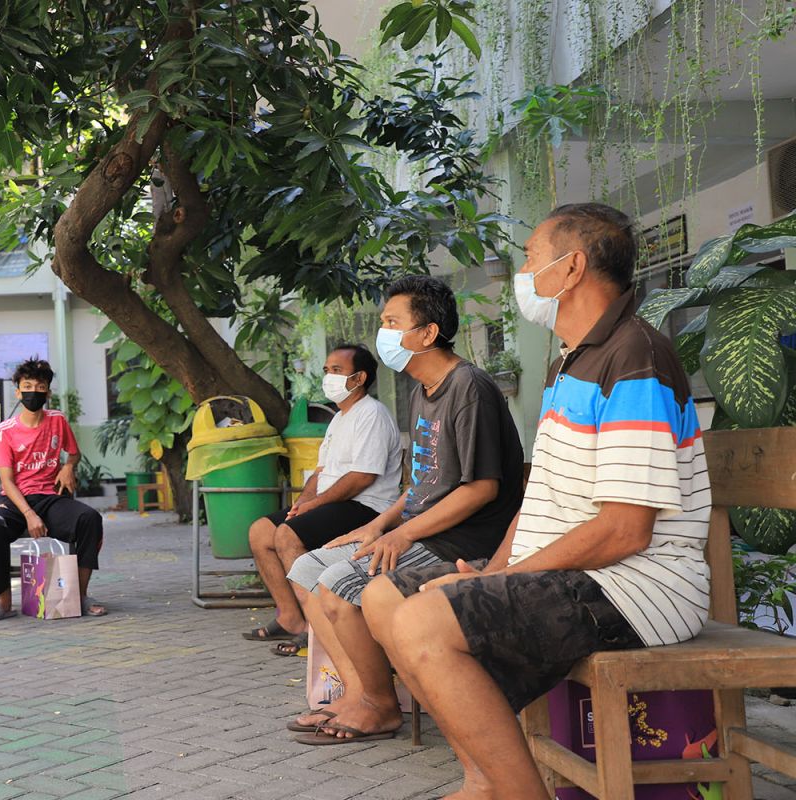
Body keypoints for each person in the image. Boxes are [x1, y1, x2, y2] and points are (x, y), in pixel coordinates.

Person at [362, 203, 710, 799]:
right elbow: (539, 501)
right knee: (382, 594)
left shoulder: (634, 359)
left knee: (423, 621)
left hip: (640, 587)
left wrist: (498, 581)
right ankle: (485, 781)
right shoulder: (571, 361)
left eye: (529, 258)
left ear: (570, 268)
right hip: (581, 575)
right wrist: (489, 575)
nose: (523, 273)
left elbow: (626, 532)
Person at [285, 276, 523, 744]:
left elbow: (480, 490)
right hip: (422, 528)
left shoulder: (468, 388)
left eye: (393, 322)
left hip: (464, 539)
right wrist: (376, 527)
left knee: (338, 583)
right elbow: (421, 485)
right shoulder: (422, 391)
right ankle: (357, 693)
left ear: (428, 333)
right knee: (304, 568)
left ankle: (379, 706)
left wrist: (403, 536)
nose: (384, 332)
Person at [242, 345, 402, 651]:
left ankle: (319, 629)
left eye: (337, 371)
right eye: (327, 370)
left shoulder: (372, 414)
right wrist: (302, 503)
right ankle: (291, 618)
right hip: (336, 502)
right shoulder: (339, 418)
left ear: (359, 378)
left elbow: (362, 477)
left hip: (368, 507)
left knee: (286, 536)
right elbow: (320, 473)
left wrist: (316, 505)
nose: (329, 377)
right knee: (261, 531)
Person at [0, 358, 107, 621]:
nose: (33, 392)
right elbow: (7, 481)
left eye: (39, 386)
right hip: (16, 501)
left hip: (50, 498)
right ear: (17, 391)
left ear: (48, 392)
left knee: (90, 519)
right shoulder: (4, 431)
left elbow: (74, 454)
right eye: (27, 386)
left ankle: (79, 597)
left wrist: (68, 466)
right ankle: (3, 602)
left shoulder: (57, 420)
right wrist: (29, 514)